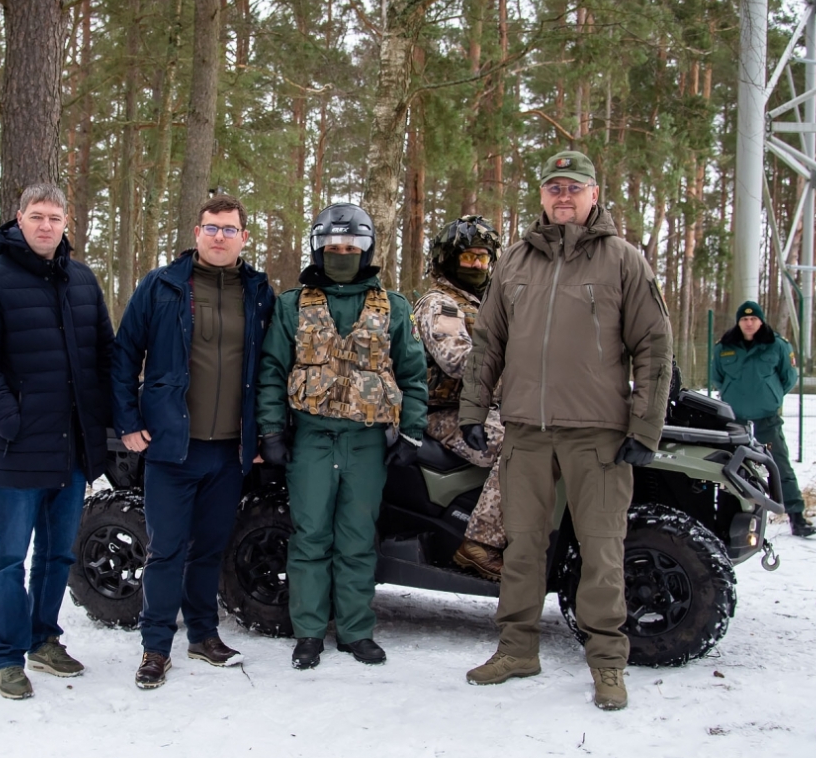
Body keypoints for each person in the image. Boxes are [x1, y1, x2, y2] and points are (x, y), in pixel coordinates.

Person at [458, 150, 671, 711]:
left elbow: (653, 346)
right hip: (526, 429)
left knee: (602, 551)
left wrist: (645, 426)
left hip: (597, 433)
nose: (563, 197)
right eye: (554, 188)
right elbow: (488, 344)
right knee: (522, 547)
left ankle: (607, 663)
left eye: (574, 188)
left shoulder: (623, 261)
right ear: (543, 197)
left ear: (593, 195)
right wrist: (473, 412)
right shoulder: (515, 262)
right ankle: (517, 648)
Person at [0, 183, 114, 701]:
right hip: (17, 451)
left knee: (57, 557)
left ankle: (44, 639)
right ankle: (6, 656)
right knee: (8, 559)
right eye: (37, 216)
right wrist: (14, 421)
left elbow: (104, 359)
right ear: (18, 219)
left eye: (55, 217)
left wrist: (109, 423)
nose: (46, 226)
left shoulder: (84, 282)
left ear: (68, 222)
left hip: (71, 451)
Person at [112, 195, 276, 688]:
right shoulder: (162, 286)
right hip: (172, 446)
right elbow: (124, 355)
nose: (219, 237)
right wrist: (126, 421)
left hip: (229, 451)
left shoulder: (259, 292)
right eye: (211, 228)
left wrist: (263, 435)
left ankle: (203, 635)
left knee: (209, 548)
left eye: (229, 229)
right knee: (166, 550)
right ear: (196, 233)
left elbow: (270, 367)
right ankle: (155, 646)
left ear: (244, 237)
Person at [257, 202, 428, 670]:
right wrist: (272, 430)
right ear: (317, 248)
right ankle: (309, 631)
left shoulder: (393, 307)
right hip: (311, 439)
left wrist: (411, 434)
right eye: (332, 246)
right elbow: (272, 369)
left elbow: (413, 373)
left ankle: (355, 631)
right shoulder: (292, 304)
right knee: (310, 537)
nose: (341, 253)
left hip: (367, 442)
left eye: (350, 246)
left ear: (367, 249)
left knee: (356, 539)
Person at [413, 216, 507, 578]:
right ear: (448, 260)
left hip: (478, 407)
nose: (477, 266)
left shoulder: (482, 305)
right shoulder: (441, 305)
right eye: (469, 259)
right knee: (518, 445)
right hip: (442, 412)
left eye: (483, 259)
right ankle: (480, 541)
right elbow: (459, 362)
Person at [711, 300, 816, 536]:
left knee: (780, 466)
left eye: (754, 319)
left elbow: (788, 378)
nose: (749, 323)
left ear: (761, 321)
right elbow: (717, 377)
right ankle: (727, 520)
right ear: (738, 322)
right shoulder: (724, 347)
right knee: (730, 468)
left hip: (766, 419)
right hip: (734, 421)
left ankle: (796, 518)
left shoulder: (777, 346)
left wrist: (770, 394)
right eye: (744, 319)